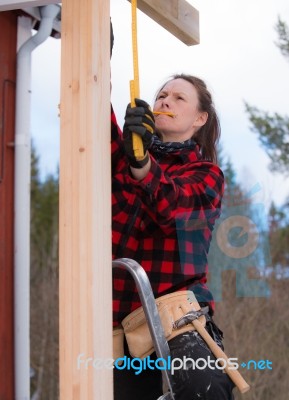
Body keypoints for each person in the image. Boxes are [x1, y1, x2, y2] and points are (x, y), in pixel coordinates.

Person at [111, 74, 235, 400]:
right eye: (162, 95)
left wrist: (142, 164)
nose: (165, 101)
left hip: (176, 310)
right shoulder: (121, 160)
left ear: (200, 118)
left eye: (179, 98)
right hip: (115, 319)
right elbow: (94, 116)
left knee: (204, 388)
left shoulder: (207, 175)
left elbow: (173, 208)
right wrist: (101, 58)